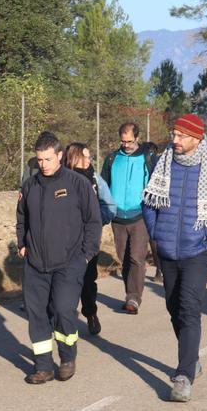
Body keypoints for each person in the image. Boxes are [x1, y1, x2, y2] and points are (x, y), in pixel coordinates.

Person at [142, 114, 207, 402]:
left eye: (182, 136)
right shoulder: (163, 163)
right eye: (174, 134)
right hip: (167, 251)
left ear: (197, 138)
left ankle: (184, 376)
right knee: (174, 308)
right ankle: (191, 357)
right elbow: (148, 201)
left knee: (189, 309)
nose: (175, 140)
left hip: (198, 251)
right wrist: (156, 232)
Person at [17, 132, 102, 384]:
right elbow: (21, 216)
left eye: (48, 159)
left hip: (70, 262)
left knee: (64, 310)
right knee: (37, 315)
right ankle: (43, 366)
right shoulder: (30, 185)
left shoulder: (78, 184)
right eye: (39, 159)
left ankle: (67, 357)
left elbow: (93, 221)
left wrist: (86, 255)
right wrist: (22, 243)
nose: (43, 164)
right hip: (35, 264)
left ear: (60, 156)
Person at [101, 122, 157, 314]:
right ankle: (130, 293)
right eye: (123, 141)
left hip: (140, 215)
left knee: (136, 258)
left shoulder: (148, 158)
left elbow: (157, 186)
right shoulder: (111, 159)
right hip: (118, 217)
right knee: (124, 258)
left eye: (129, 141)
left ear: (137, 138)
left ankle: (134, 298)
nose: (125, 144)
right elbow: (103, 187)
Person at [64, 143, 116, 334]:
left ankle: (90, 313)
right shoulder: (61, 179)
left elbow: (109, 205)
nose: (89, 160)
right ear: (73, 157)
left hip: (88, 241)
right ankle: (64, 320)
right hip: (65, 241)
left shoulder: (95, 179)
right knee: (65, 282)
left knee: (87, 281)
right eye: (85, 157)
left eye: (89, 157)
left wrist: (95, 221)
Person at [145, 142, 164, 283]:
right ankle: (159, 269)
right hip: (152, 203)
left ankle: (159, 269)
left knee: (153, 239)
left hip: (146, 204)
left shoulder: (141, 161)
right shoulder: (160, 162)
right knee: (154, 239)